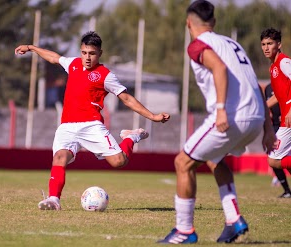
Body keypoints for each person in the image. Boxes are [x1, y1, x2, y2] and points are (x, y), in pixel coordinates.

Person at [158, 0, 276, 244]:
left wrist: (221, 110)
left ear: (188, 23)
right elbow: (255, 85)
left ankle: (184, 230)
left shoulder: (197, 45)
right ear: (213, 22)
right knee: (214, 159)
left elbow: (219, 69)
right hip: (255, 117)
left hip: (232, 115)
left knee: (183, 162)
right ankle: (234, 220)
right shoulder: (233, 44)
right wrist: (267, 130)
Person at [15, 31, 170, 211]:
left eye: (92, 54)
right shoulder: (72, 64)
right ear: (80, 51)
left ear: (100, 54)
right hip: (67, 126)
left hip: (91, 125)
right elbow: (54, 57)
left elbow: (126, 98)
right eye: (84, 53)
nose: (87, 58)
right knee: (59, 158)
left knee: (119, 161)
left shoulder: (105, 75)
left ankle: (131, 137)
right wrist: (32, 48)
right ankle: (53, 200)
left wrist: (153, 116)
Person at [264, 83, 291, 198]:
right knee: (274, 159)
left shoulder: (283, 66)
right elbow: (275, 99)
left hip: (287, 124)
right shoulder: (269, 87)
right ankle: (287, 191)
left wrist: (289, 112)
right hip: (276, 125)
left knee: (273, 159)